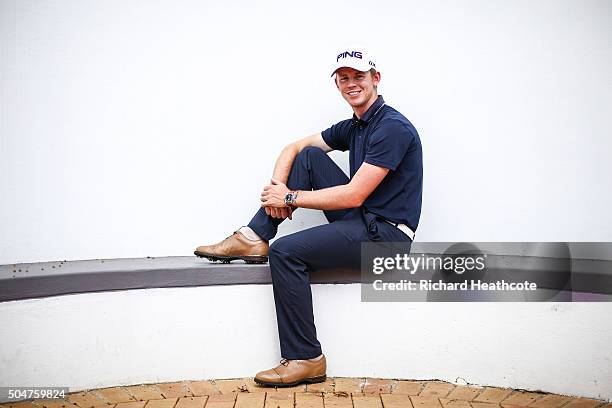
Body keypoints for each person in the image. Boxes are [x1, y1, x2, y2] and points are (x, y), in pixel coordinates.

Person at [194, 49, 423, 387]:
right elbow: (294, 148)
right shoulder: (356, 126)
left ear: (376, 78)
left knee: (285, 252)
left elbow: (354, 194)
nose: (351, 84)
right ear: (337, 85)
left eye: (358, 76)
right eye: (343, 78)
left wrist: (288, 197)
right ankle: (254, 236)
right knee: (311, 157)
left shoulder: (391, 127)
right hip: (364, 221)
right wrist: (279, 186)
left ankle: (306, 358)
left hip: (386, 240)